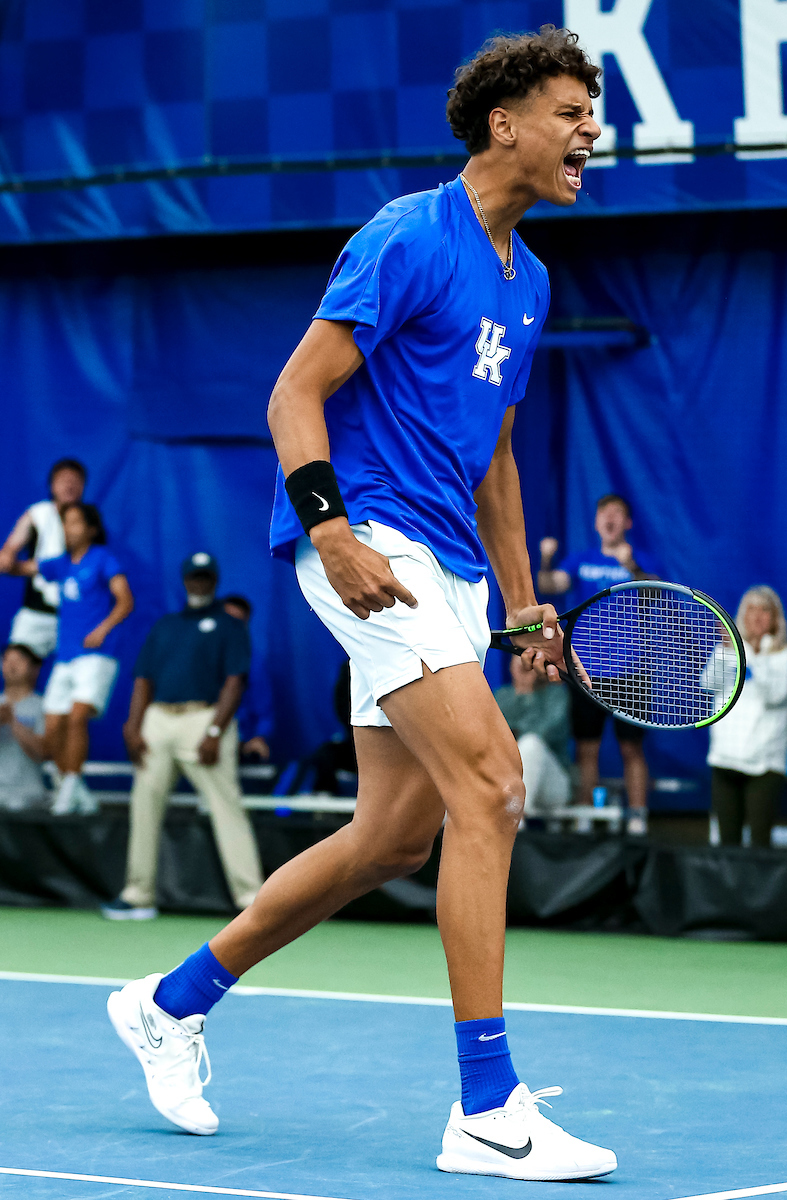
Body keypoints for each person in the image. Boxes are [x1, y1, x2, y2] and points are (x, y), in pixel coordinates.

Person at [106, 29, 617, 1181]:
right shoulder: (405, 235)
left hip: (450, 566)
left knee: (395, 833)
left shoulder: (526, 281)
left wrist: (524, 605)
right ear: (504, 124)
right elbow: (295, 390)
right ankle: (485, 1107)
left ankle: (169, 1003)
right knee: (492, 785)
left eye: (592, 112)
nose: (590, 130)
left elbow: (493, 457)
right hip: (368, 539)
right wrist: (329, 530)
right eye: (571, 110)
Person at [102, 554, 265, 921]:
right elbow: (143, 678)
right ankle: (137, 894)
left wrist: (213, 731)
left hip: (204, 718)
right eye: (194, 577)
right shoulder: (166, 625)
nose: (199, 583)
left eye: (206, 577)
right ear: (185, 580)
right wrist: (133, 725)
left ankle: (252, 899)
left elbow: (234, 681)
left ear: (215, 581)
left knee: (227, 807)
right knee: (144, 803)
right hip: (159, 718)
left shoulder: (229, 625)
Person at [538, 494, 660, 835]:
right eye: (604, 513)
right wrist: (546, 559)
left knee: (631, 747)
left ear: (627, 523)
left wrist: (631, 566)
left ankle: (637, 816)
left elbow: (658, 595)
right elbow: (549, 584)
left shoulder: (642, 561)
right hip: (585, 671)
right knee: (587, 748)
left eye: (617, 513)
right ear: (596, 522)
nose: (610, 518)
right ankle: (586, 815)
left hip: (633, 670)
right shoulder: (580, 560)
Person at [1, 502, 133, 815]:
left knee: (76, 718)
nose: (67, 530)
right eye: (64, 524)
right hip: (66, 658)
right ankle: (78, 792)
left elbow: (125, 600)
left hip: (95, 656)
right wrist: (7, 558)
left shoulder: (103, 559)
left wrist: (103, 629)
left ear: (91, 529)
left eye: (74, 523)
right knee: (53, 727)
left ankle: (68, 789)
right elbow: (22, 569)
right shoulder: (60, 564)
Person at [703, 586, 787, 849]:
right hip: (725, 757)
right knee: (727, 843)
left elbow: (775, 695)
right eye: (751, 609)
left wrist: (753, 654)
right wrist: (727, 650)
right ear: (742, 615)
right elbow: (709, 682)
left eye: (764, 610)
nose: (757, 617)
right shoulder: (728, 649)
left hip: (766, 762)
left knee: (760, 844)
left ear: (775, 618)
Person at [0, 459, 87, 659]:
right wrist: (7, 555)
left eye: (75, 481)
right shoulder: (38, 514)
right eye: (64, 480)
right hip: (35, 610)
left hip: (75, 615)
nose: (70, 485)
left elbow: (86, 565)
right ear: (52, 485)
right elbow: (10, 550)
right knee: (16, 665)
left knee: (71, 675)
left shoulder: (89, 521)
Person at [494, 652, 571, 818]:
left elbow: (544, 733)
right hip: (504, 778)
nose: (523, 667)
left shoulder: (556, 696)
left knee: (531, 743)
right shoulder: (502, 696)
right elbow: (492, 737)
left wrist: (527, 692)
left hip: (551, 785)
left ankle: (514, 818)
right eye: (518, 660)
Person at [220, 595, 273, 761]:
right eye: (226, 621)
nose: (231, 628)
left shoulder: (253, 662)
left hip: (237, 742)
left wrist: (258, 737)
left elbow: (263, 710)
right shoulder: (195, 655)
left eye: (237, 623)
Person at [0, 644, 48, 812]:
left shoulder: (44, 707)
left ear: (34, 668)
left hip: (29, 796)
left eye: (19, 660)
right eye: (6, 660)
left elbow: (43, 753)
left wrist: (13, 722)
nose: (12, 665)